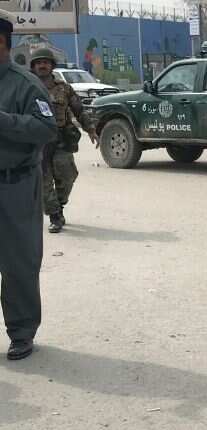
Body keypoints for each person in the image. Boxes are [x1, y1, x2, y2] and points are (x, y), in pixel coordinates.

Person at [0, 9, 58, 360]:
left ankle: (21, 332)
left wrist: (3, 121)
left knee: (19, 262)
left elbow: (46, 128)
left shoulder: (25, 84)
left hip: (16, 185)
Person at [29, 48, 97, 233]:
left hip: (61, 138)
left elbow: (79, 109)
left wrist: (90, 128)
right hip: (37, 141)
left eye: (45, 62)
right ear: (33, 66)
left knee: (68, 174)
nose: (42, 65)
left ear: (51, 65)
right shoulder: (27, 86)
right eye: (38, 62)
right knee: (43, 181)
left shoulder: (64, 88)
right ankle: (55, 215)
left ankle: (58, 205)